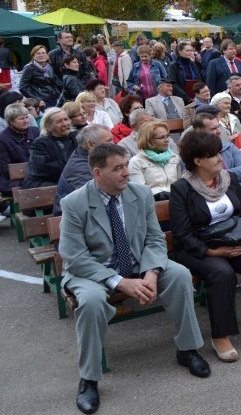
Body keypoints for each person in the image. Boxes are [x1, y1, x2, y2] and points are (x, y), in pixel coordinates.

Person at [59, 143, 209, 414]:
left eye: (127, 165)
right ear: (97, 173)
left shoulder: (139, 194)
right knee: (91, 302)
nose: (126, 173)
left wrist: (151, 273)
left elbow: (154, 238)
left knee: (179, 276)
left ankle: (187, 350)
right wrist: (119, 282)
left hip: (140, 263)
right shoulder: (74, 203)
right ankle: (89, 378)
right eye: (118, 168)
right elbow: (74, 256)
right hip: (92, 271)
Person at [169, 130, 241, 363]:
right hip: (200, 247)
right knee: (222, 273)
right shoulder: (182, 189)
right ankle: (220, 335)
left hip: (234, 240)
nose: (220, 159)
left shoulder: (227, 179)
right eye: (213, 156)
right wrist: (210, 251)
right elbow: (182, 234)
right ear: (198, 161)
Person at [53, 124, 114, 216]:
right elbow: (96, 198)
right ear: (90, 144)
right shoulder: (79, 168)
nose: (114, 144)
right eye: (109, 141)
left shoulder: (95, 158)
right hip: (73, 220)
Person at [21, 108, 78, 189]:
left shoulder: (75, 137)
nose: (65, 123)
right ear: (48, 126)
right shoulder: (40, 144)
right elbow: (45, 168)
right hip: (44, 183)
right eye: (59, 121)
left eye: (66, 119)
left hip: (70, 179)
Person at [128, 121, 182, 201]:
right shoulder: (136, 162)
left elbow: (180, 184)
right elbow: (140, 191)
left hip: (177, 200)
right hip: (153, 202)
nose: (167, 140)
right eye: (161, 137)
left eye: (167, 136)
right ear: (148, 140)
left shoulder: (174, 157)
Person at [0, 104, 40, 196]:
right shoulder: (3, 139)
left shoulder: (35, 131)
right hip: (13, 182)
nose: (26, 121)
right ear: (11, 121)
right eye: (21, 119)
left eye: (27, 117)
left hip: (37, 176)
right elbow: (5, 170)